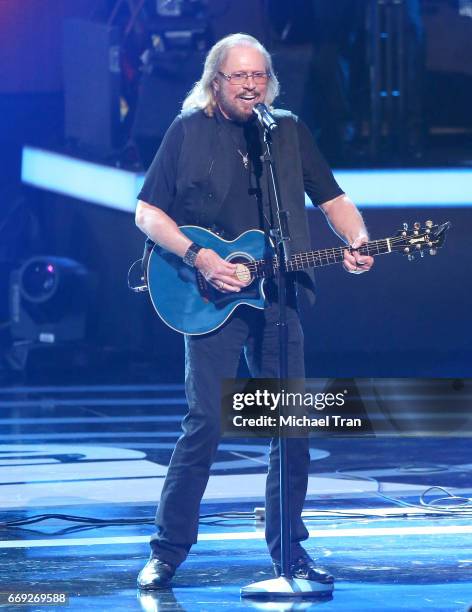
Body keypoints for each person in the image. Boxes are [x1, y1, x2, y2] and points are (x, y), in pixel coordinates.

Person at [135, 33, 373, 590]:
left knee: (288, 426)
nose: (249, 85)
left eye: (258, 76)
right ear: (214, 82)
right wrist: (199, 254)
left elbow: (332, 197)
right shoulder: (187, 131)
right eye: (238, 76)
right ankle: (166, 553)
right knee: (206, 423)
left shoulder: (284, 132)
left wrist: (357, 239)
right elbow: (147, 212)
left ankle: (289, 554)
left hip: (278, 295)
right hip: (208, 295)